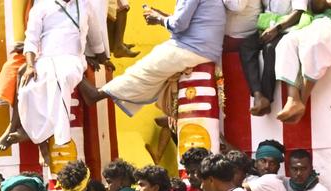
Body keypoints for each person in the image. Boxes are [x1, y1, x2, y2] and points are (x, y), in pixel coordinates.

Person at [0, 0, 111, 162]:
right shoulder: (41, 6)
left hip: (72, 60)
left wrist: (104, 59)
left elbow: (95, 38)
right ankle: (22, 130)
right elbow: (31, 41)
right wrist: (30, 66)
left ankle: (48, 136)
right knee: (27, 86)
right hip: (45, 60)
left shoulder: (85, 5)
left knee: (60, 77)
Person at [79, 0, 225, 116]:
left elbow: (179, 25)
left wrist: (159, 19)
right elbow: (192, 21)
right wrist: (164, 16)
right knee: (152, 75)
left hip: (191, 49)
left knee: (143, 71)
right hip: (205, 50)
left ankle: (97, 94)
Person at [239, 0, 310, 116]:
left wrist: (277, 28)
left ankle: (266, 98)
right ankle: (258, 95)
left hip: (287, 29)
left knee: (270, 48)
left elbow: (299, 12)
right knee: (246, 47)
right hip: (267, 28)